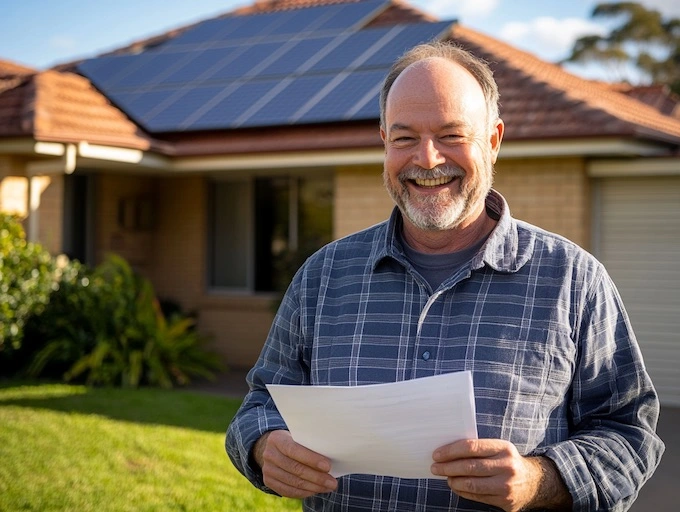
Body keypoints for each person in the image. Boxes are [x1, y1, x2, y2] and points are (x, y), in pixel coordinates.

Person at [226, 41, 664, 511]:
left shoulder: (574, 281)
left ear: (493, 141)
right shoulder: (323, 276)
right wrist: (262, 445)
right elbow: (260, 404)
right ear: (384, 143)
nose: (428, 159)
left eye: (452, 135)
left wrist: (541, 479)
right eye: (405, 137)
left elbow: (628, 433)